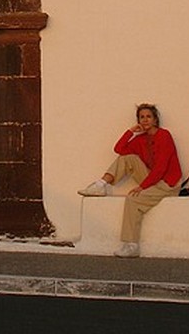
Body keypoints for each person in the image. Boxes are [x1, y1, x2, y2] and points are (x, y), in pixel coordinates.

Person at [78, 103, 182, 257]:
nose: (145, 120)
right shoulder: (140, 139)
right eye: (142, 117)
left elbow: (161, 167)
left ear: (155, 120)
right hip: (153, 179)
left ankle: (131, 245)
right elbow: (119, 149)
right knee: (127, 158)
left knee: (133, 199)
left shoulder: (164, 135)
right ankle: (101, 185)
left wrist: (142, 187)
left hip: (167, 183)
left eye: (148, 117)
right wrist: (130, 132)